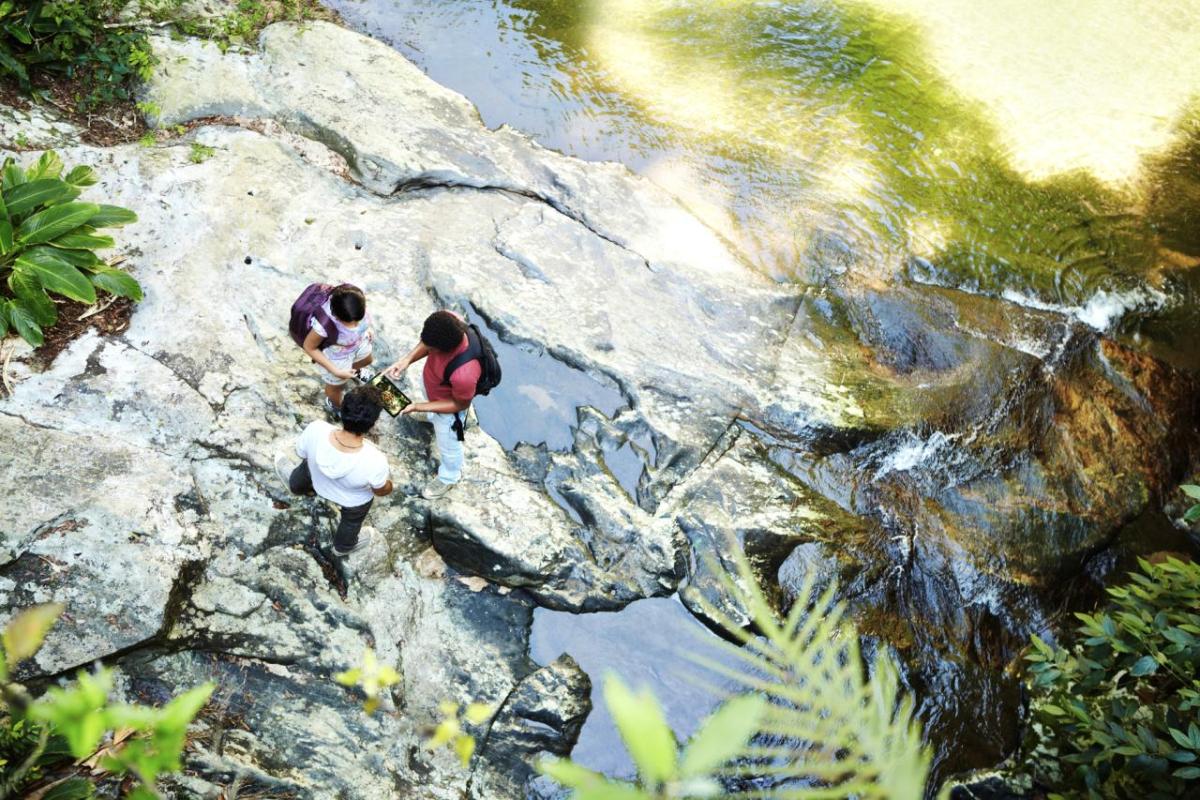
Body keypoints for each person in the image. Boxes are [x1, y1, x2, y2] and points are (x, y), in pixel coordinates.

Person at [275, 386, 393, 556]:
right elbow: (380, 491)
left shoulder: (316, 428)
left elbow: (301, 453)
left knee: (308, 462)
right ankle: (343, 547)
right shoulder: (375, 460)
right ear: (373, 424)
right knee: (353, 519)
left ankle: (296, 486)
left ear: (342, 409)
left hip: (317, 479)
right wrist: (389, 485)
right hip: (351, 500)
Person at [386, 310, 480, 500]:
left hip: (450, 409)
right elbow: (427, 343)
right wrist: (406, 360)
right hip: (436, 386)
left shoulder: (465, 374)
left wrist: (418, 406)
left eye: (432, 349)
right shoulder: (448, 321)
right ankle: (432, 415)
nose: (428, 349)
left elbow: (458, 404)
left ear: (445, 349)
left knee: (449, 444)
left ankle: (449, 477)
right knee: (433, 411)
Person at [301, 284, 375, 418]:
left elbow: (359, 324)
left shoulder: (355, 305)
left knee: (368, 360)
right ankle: (336, 405)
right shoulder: (324, 325)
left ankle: (353, 372)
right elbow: (309, 347)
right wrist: (336, 371)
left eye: (358, 321)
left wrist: (366, 329)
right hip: (336, 357)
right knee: (336, 387)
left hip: (357, 344)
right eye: (349, 323)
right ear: (336, 316)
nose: (354, 326)